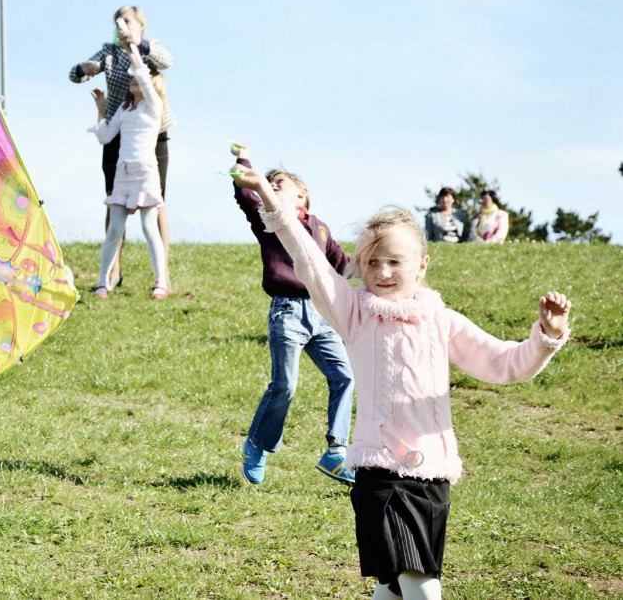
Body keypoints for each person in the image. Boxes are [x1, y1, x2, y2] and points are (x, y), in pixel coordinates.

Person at [230, 164, 571, 600]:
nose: (383, 271)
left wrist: (547, 337)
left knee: (393, 589)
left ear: (423, 265)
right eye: (372, 262)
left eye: (395, 261)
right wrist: (269, 198)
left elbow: (504, 364)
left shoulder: (442, 321)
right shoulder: (354, 314)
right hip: (380, 475)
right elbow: (310, 261)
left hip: (433, 478)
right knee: (422, 587)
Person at [230, 143, 355, 486]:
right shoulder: (269, 220)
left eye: (278, 183)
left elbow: (345, 266)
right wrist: (243, 157)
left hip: (320, 313)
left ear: (303, 192)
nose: (271, 187)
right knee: (285, 385)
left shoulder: (321, 228)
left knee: (344, 376)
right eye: (267, 185)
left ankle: (336, 453)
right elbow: (245, 191)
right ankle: (258, 444)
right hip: (287, 311)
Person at [69, 6, 174, 288]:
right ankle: (113, 272)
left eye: (126, 21)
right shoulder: (108, 52)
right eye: (117, 22)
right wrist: (84, 69)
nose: (120, 26)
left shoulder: (152, 48)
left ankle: (162, 276)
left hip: (154, 131)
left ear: (140, 24)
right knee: (114, 199)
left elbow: (167, 62)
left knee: (157, 199)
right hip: (119, 129)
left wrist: (137, 44)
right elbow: (74, 75)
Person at [87, 43, 168, 299]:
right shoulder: (124, 109)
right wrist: (101, 110)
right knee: (115, 228)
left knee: (148, 226)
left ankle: (161, 282)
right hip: (124, 172)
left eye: (138, 78)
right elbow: (106, 136)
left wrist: (132, 49)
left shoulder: (153, 107)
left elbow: (144, 78)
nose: (134, 79)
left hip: (145, 172)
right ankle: (102, 282)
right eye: (131, 78)